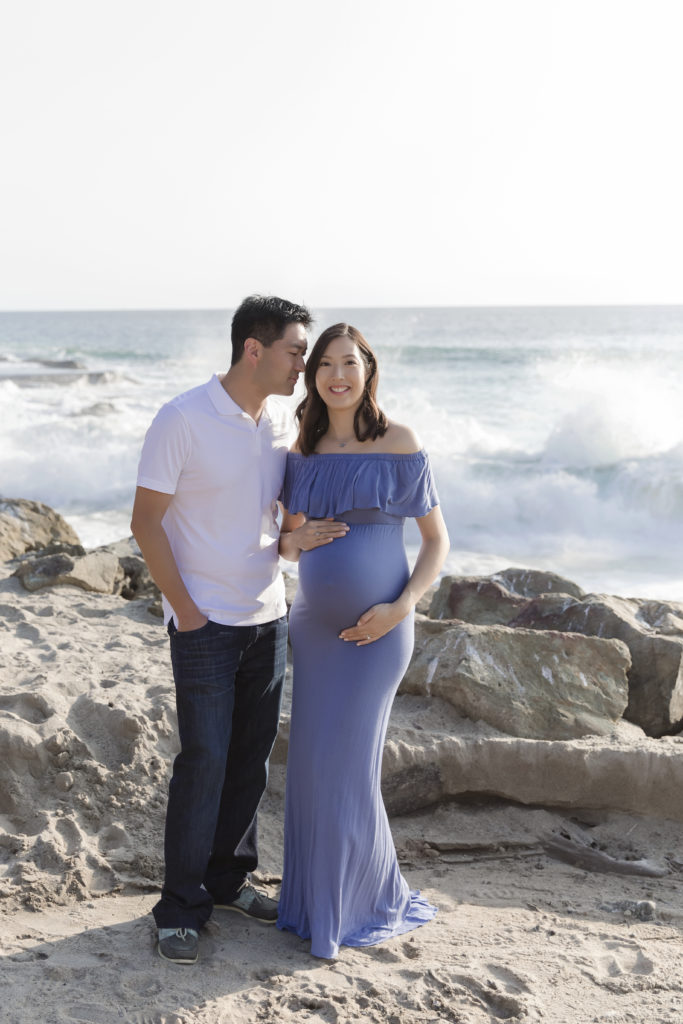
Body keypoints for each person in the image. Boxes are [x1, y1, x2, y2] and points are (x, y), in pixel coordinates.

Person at [130, 294, 312, 965]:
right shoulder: (181, 418)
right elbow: (145, 523)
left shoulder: (280, 423)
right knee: (203, 764)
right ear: (253, 349)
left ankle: (229, 881)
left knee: (250, 762)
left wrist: (300, 537)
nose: (302, 364)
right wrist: (186, 609)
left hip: (269, 616)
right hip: (204, 623)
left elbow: (277, 520)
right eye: (295, 351)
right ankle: (180, 907)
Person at [276, 323, 450, 959]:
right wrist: (295, 540)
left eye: (348, 363)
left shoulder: (399, 441)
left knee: (348, 770)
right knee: (311, 769)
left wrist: (401, 608)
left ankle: (356, 907)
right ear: (313, 375)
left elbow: (436, 542)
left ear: (368, 370)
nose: (337, 375)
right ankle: (313, 907)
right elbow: (287, 542)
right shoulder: (303, 446)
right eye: (324, 364)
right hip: (314, 630)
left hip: (379, 636)